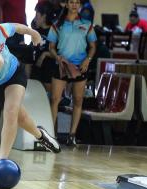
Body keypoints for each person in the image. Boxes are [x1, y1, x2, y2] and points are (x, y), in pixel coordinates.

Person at [0, 11, 61, 158]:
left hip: (14, 75)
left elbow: (17, 27)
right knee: (22, 118)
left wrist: (33, 33)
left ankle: (2, 160)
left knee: (11, 111)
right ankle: (41, 136)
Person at [47, 0, 96, 146]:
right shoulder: (57, 24)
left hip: (79, 66)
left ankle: (72, 135)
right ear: (66, 5)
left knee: (78, 100)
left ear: (79, 5)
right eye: (71, 2)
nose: (74, 5)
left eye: (77, 2)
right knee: (55, 99)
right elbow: (51, 47)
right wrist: (58, 58)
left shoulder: (87, 24)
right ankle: (51, 134)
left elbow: (93, 46)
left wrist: (87, 60)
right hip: (61, 66)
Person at [29, 1, 57, 94]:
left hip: (48, 70)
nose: (35, 18)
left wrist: (45, 54)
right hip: (36, 70)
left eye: (37, 15)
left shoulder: (54, 32)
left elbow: (59, 53)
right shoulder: (36, 31)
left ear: (44, 16)